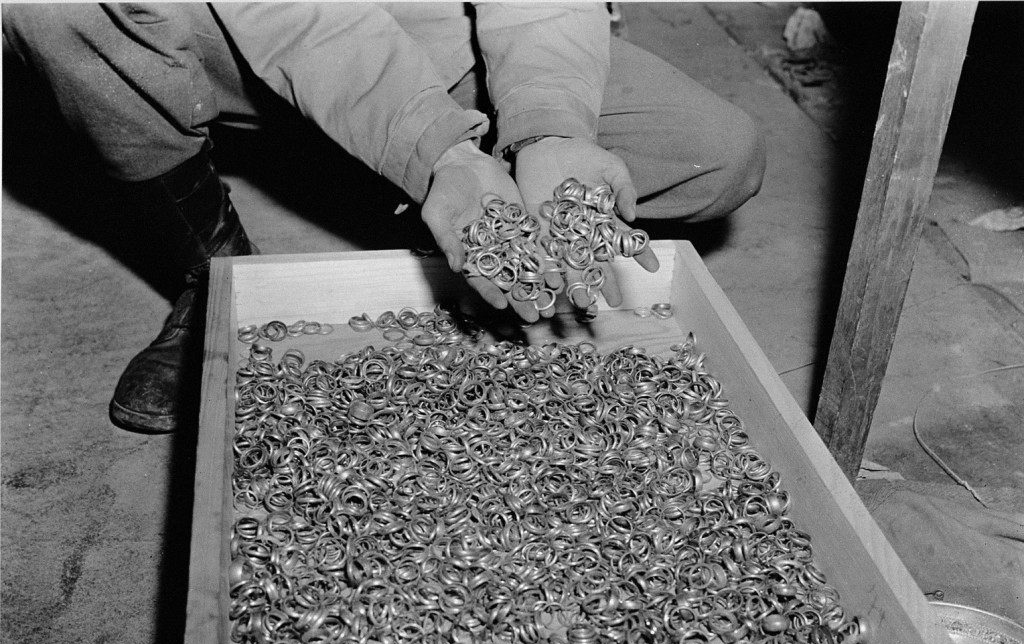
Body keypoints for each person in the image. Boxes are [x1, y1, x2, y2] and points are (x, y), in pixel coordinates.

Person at [3, 3, 766, 434]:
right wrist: (440, 151)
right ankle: (214, 272)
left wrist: (549, 129)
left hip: (439, 42)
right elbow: (292, 17)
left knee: (713, 152)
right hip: (236, 44)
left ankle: (417, 196)